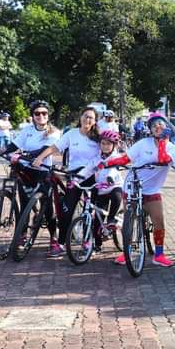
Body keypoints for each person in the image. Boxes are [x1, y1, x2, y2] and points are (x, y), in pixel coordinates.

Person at [99, 112, 175, 267]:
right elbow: (125, 158)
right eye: (153, 125)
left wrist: (162, 142)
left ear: (166, 126)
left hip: (152, 190)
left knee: (159, 222)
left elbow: (163, 159)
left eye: (160, 124)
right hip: (132, 185)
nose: (157, 127)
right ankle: (127, 251)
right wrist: (107, 163)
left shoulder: (172, 148)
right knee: (129, 220)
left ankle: (159, 254)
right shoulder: (143, 144)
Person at [0, 100, 63, 255]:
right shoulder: (27, 130)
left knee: (47, 207)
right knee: (24, 202)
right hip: (26, 171)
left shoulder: (54, 131)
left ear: (48, 115)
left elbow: (45, 149)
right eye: (37, 113)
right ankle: (23, 235)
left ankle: (54, 239)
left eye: (44, 113)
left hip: (43, 171)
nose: (41, 116)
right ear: (32, 116)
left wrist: (24, 154)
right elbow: (13, 145)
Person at [33, 106, 101, 257]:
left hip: (93, 176)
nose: (87, 119)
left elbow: (109, 151)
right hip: (74, 175)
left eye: (90, 117)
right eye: (85, 116)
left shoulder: (98, 137)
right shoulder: (72, 134)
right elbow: (55, 147)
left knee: (90, 211)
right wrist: (40, 158)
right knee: (67, 210)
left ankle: (89, 242)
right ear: (80, 117)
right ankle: (61, 243)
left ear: (95, 121)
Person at [75, 129, 125, 257]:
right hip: (101, 189)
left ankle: (112, 219)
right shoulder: (96, 158)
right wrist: (75, 179)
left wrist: (110, 179)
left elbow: (114, 170)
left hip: (114, 186)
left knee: (117, 196)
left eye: (108, 144)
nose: (105, 146)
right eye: (103, 143)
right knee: (97, 220)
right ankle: (97, 245)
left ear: (114, 145)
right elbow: (87, 170)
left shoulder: (117, 157)